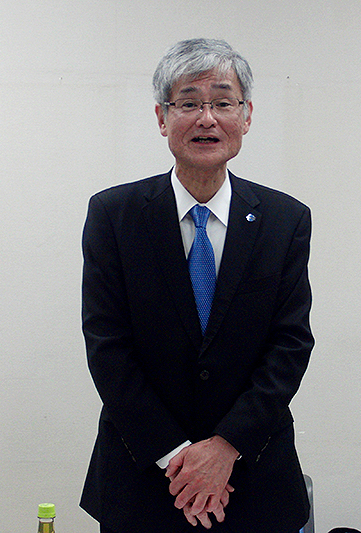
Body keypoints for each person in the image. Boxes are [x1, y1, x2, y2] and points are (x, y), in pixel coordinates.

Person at [79, 38, 314, 533]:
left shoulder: (285, 219)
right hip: (143, 479)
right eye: (189, 103)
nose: (207, 119)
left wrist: (225, 447)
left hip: (254, 480)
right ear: (162, 118)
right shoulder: (114, 215)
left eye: (222, 103)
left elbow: (290, 344)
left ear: (246, 116)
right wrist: (177, 458)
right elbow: (107, 347)